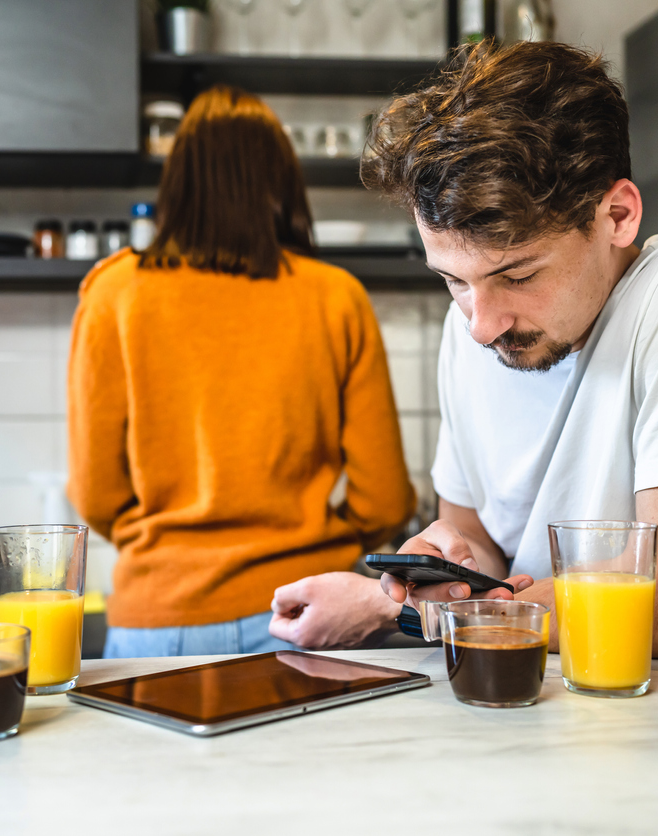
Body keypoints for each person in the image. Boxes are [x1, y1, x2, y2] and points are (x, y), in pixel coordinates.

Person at [268, 41, 658, 660]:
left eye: (517, 276)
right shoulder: (467, 327)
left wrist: (405, 612)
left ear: (618, 214)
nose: (481, 326)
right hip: (504, 703)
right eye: (453, 279)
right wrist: (448, 566)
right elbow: (479, 536)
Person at [68, 85, 417, 658]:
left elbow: (95, 494)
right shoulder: (335, 297)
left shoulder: (113, 294)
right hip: (305, 613)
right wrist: (318, 542)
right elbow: (383, 498)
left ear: (177, 180)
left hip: (158, 618)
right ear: (281, 181)